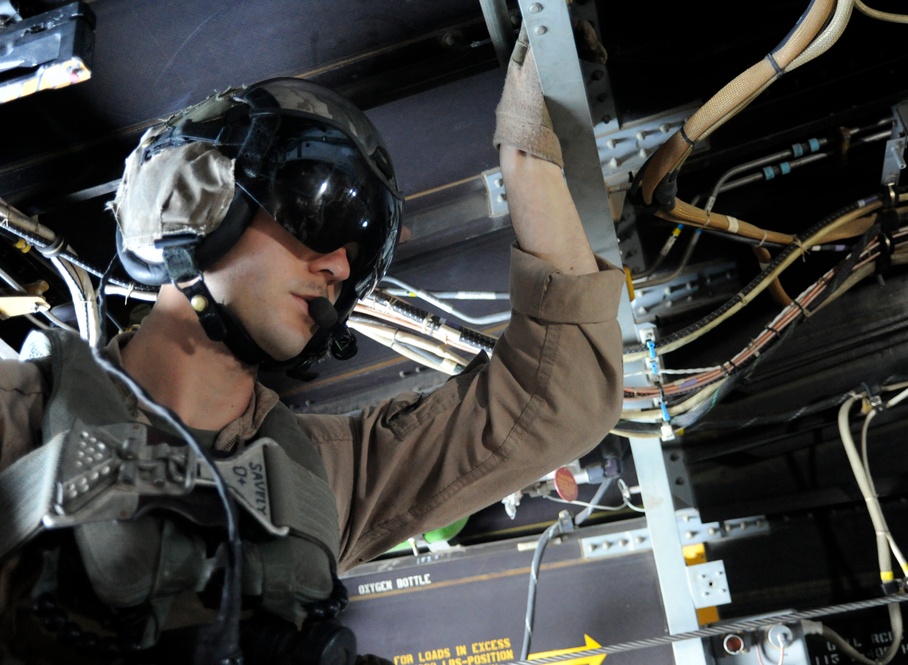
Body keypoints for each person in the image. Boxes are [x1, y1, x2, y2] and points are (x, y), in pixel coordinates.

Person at [0, 26, 624, 665]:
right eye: (315, 216)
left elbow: (559, 393)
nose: (337, 268)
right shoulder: (17, 416)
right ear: (189, 198)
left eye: (356, 256)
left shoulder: (323, 479)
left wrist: (528, 154)